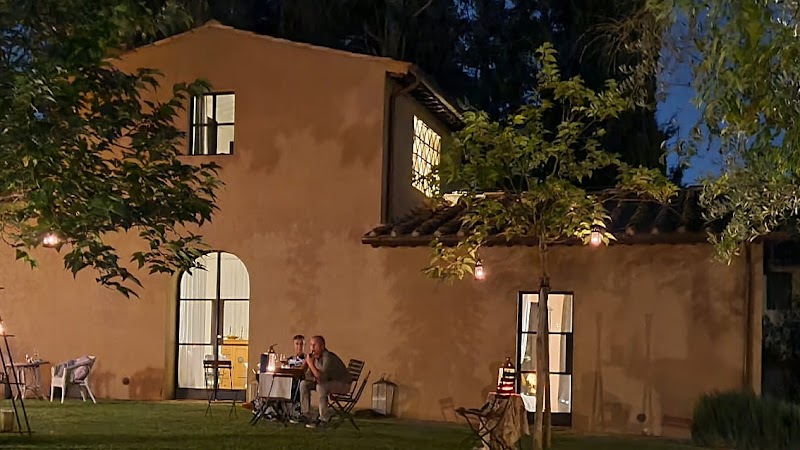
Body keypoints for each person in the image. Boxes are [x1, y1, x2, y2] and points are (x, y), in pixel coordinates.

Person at [291, 335, 351, 428]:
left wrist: (310, 364)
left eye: (314, 345)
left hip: (342, 384)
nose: (312, 348)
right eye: (311, 345)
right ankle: (305, 414)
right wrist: (306, 364)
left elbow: (321, 377)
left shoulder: (328, 358)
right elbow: (306, 374)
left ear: (322, 346)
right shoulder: (314, 357)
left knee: (321, 387)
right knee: (304, 384)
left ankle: (324, 419)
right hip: (326, 382)